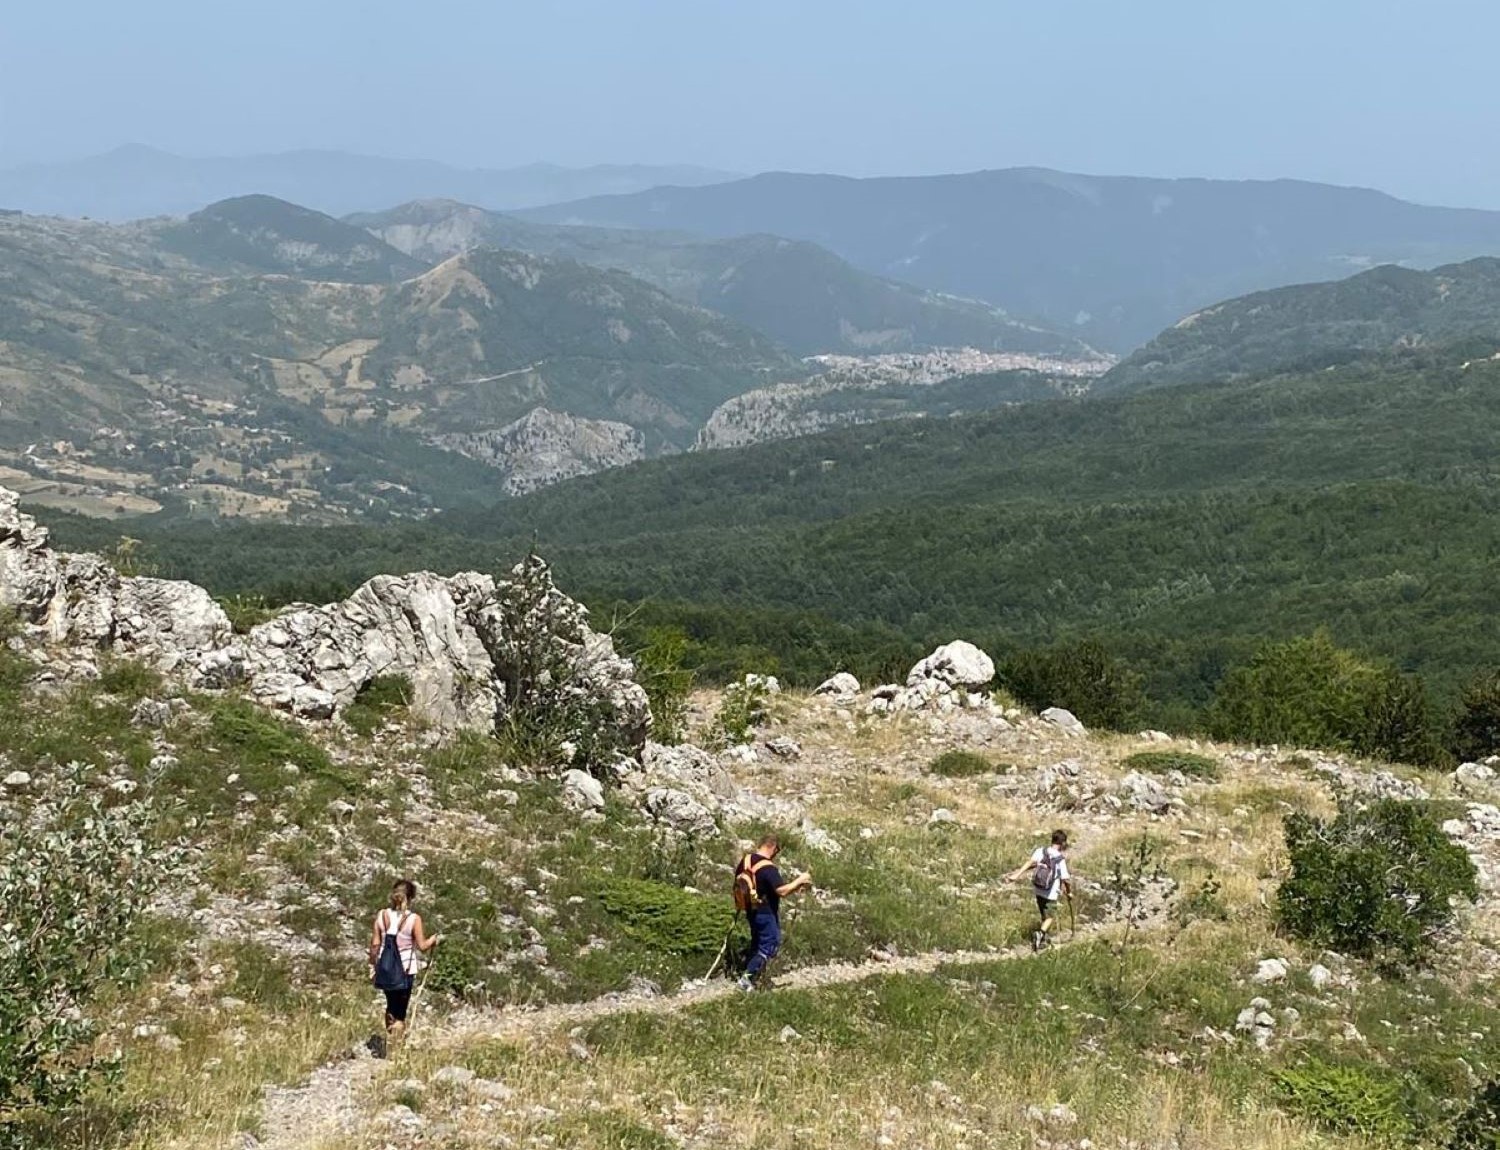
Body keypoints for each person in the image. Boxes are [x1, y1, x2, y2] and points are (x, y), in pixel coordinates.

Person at [735, 836, 813, 992]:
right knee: (770, 944)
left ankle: (753, 976)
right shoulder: (768, 867)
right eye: (777, 851)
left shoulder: (745, 861)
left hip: (750, 910)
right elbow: (781, 891)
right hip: (765, 911)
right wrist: (800, 880)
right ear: (773, 847)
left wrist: (795, 888)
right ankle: (747, 979)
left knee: (757, 944)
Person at [368, 878, 441, 1046]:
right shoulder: (413, 919)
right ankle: (396, 1046)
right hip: (405, 969)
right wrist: (433, 940)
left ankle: (389, 1036)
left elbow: (375, 944)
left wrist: (372, 966)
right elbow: (422, 946)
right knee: (400, 1011)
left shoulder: (382, 915)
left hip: (385, 968)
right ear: (410, 898)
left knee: (390, 1005)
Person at [1008, 829, 1072, 952]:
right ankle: (1040, 934)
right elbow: (1066, 879)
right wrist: (1069, 892)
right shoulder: (1059, 859)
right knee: (1051, 916)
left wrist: (1017, 874)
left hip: (1038, 888)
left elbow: (1030, 863)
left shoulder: (1041, 851)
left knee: (1044, 914)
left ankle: (1042, 941)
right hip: (1051, 893)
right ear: (1062, 843)